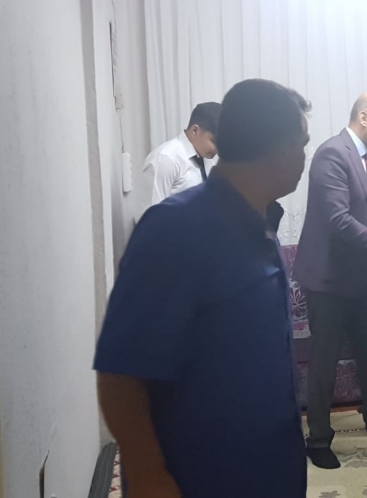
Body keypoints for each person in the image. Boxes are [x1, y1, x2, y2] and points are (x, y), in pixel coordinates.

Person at [94, 79, 311, 498]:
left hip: (269, 464)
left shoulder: (261, 224)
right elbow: (120, 372)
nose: (305, 156)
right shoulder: (176, 230)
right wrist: (149, 477)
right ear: (282, 150)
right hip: (200, 473)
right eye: (303, 144)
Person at [294, 92, 367, 470]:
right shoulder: (333, 153)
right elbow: (339, 220)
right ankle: (318, 439)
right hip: (328, 280)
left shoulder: (358, 155)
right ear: (364, 117)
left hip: (359, 279)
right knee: (324, 361)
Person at [141, 102, 222, 212]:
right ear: (194, 130)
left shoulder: (208, 159)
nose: (217, 150)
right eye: (214, 142)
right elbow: (151, 215)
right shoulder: (166, 159)